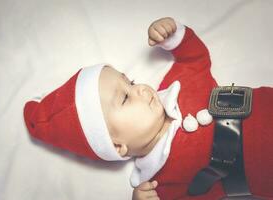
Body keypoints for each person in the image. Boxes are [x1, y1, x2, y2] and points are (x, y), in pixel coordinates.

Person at [23, 17, 273, 200]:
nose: (140, 88)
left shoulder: (177, 86)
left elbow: (195, 58)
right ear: (117, 145)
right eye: (125, 98)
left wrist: (174, 37)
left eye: (130, 82)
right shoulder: (161, 183)